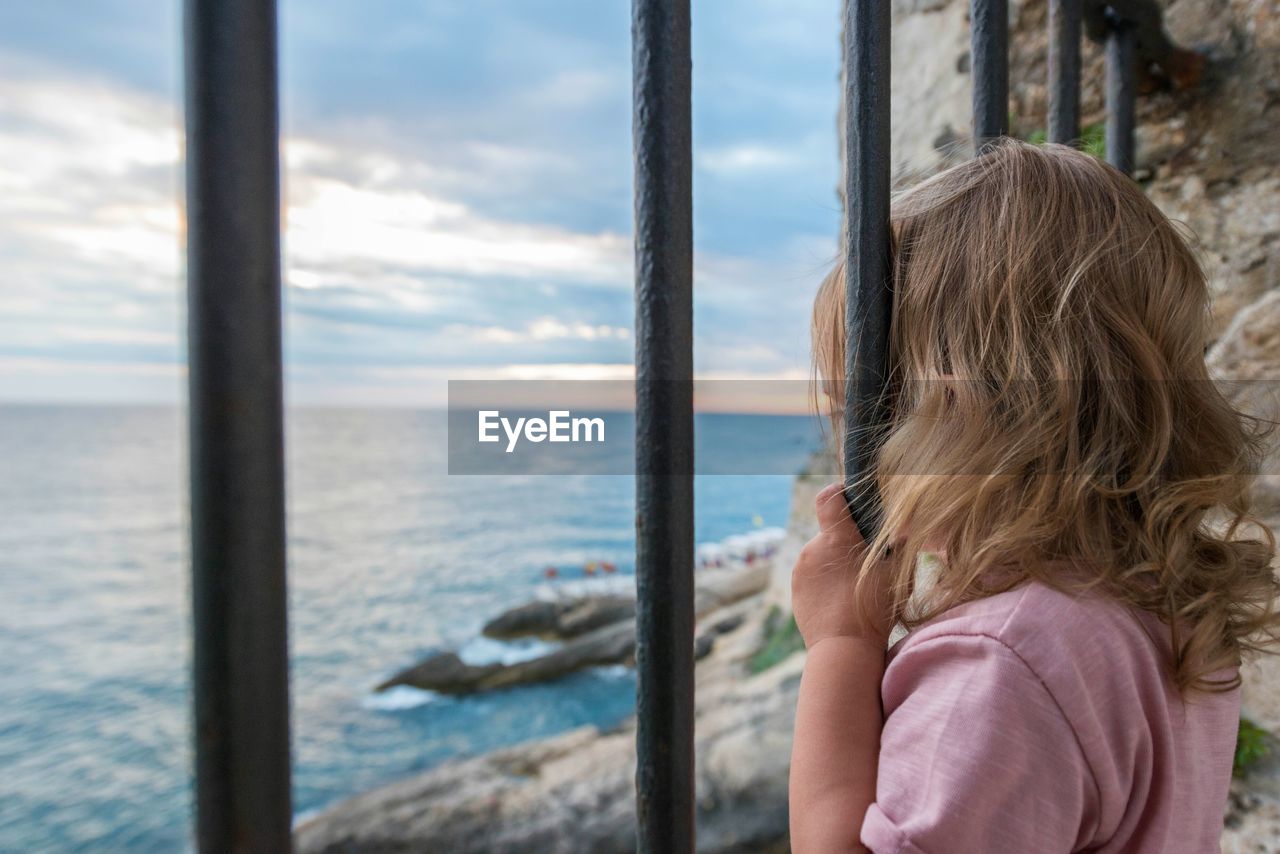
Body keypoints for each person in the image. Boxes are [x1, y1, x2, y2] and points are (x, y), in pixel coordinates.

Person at [789, 140, 1279, 853]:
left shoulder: (1003, 662)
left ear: (954, 410)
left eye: (859, 408)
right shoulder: (1160, 612)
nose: (850, 446)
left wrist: (840, 643)